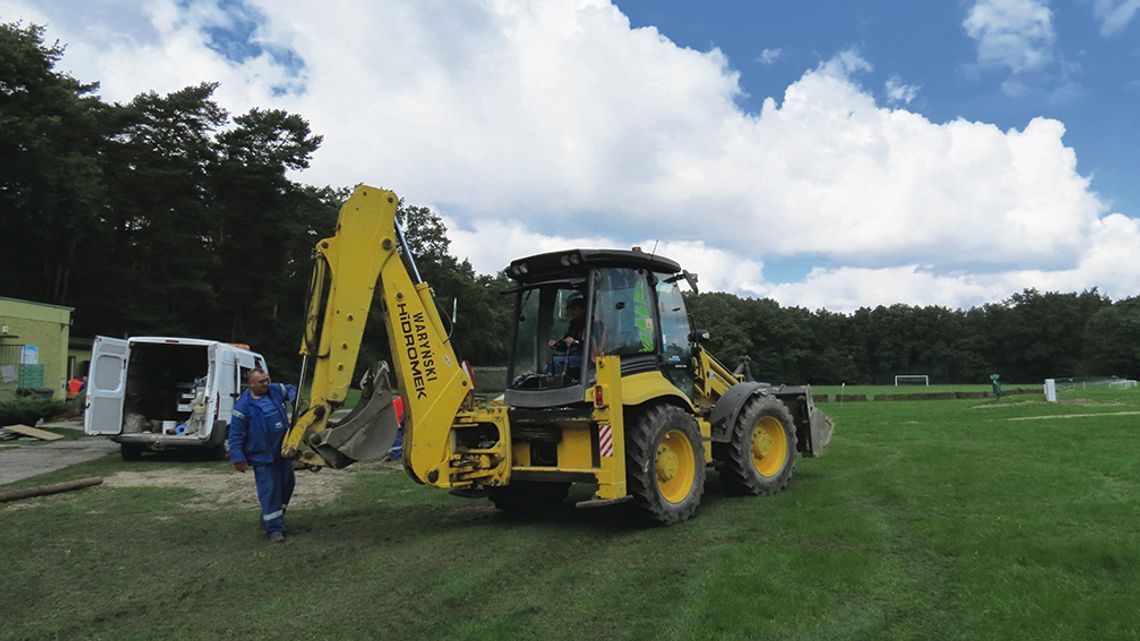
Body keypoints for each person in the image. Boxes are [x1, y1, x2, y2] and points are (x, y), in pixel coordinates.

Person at [229, 368, 298, 543]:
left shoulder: (274, 390)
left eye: (267, 379)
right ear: (250, 384)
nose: (266, 383)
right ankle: (274, 530)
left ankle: (271, 518)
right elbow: (235, 436)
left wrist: (294, 397)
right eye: (261, 382)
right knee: (270, 491)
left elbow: (290, 388)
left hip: (282, 452)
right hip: (263, 457)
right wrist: (238, 458)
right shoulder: (243, 407)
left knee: (287, 484)